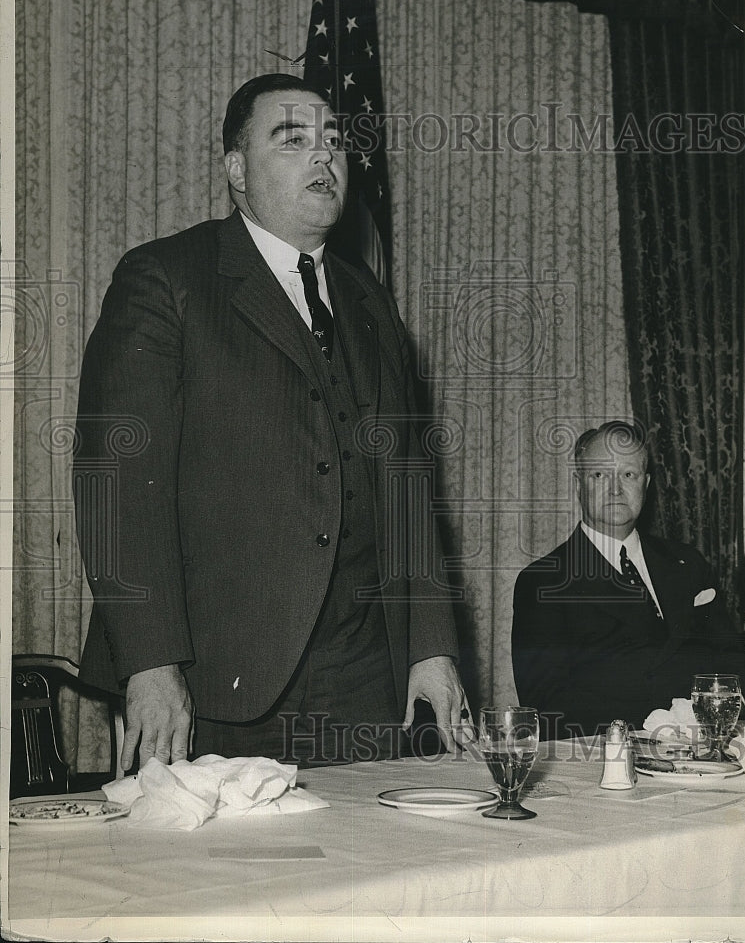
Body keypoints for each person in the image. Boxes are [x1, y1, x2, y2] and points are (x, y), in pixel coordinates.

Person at [73, 74, 470, 770]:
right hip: (215, 679)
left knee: (366, 871)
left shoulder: (368, 300)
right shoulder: (167, 278)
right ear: (236, 170)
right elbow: (119, 491)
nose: (323, 156)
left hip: (363, 677)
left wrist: (430, 649)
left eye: (334, 141)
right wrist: (151, 665)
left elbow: (407, 488)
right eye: (292, 139)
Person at [512, 420, 745, 739]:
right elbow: (547, 707)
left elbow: (730, 664)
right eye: (599, 475)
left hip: (702, 750)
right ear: (578, 484)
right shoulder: (544, 581)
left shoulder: (688, 562)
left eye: (628, 475)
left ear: (645, 484)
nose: (616, 489)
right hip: (607, 759)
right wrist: (659, 726)